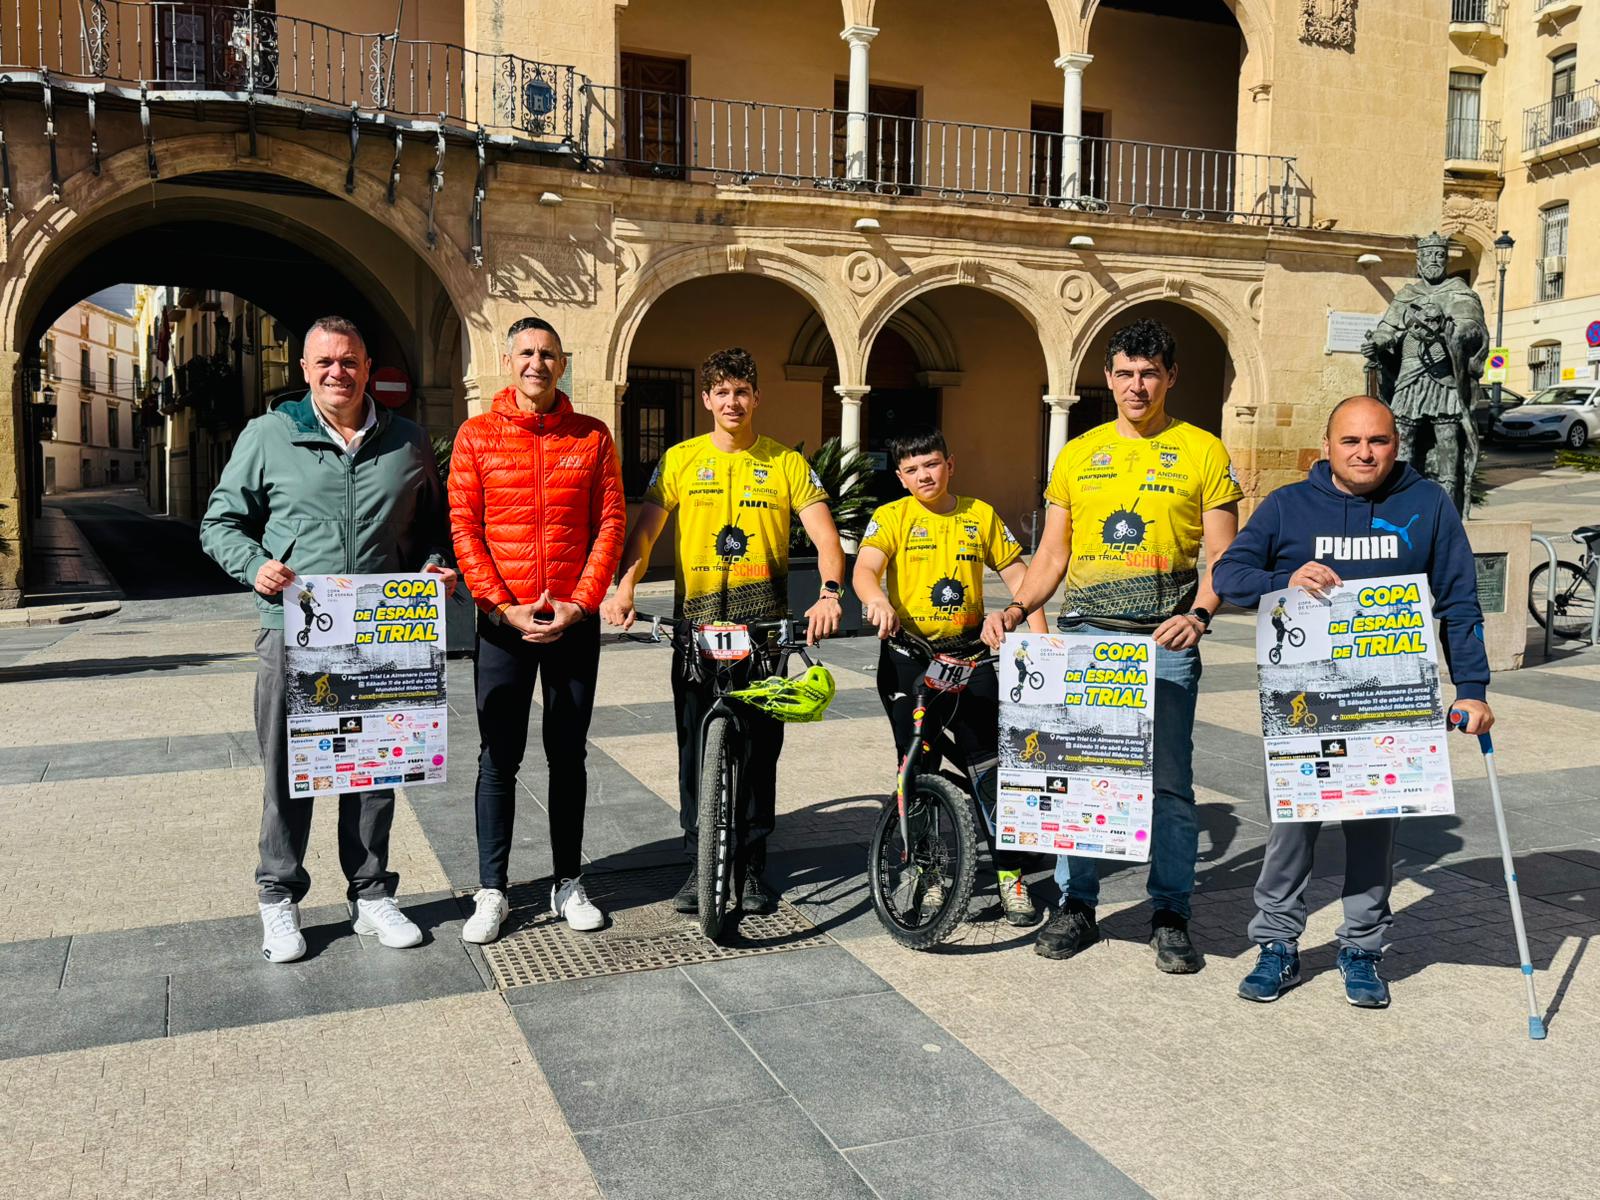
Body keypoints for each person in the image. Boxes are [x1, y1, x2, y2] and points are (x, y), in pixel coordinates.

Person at [1212, 394, 1494, 1009]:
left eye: (1378, 441)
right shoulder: (1288, 507)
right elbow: (1228, 576)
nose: (1365, 453)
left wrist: (1472, 689)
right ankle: (1278, 944)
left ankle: (1362, 948)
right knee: (1292, 831)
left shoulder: (1427, 505)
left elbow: (1459, 601)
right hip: (1302, 708)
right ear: (1327, 446)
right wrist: (1280, 580)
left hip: (1389, 706)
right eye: (1352, 441)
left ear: (1395, 445)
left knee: (1374, 831)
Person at [982, 317, 1240, 973]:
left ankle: (1171, 911)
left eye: (1149, 373)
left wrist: (1202, 615)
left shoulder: (1202, 451)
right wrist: (1016, 607)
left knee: (1169, 787)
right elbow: (1052, 553)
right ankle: (1077, 905)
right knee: (1080, 779)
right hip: (1089, 641)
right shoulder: (1077, 455)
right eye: (1124, 372)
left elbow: (1225, 557)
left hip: (1165, 641)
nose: (1136, 385)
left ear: (1170, 377)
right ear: (1108, 376)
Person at [201, 315, 456, 963]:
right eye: (324, 363)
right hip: (293, 627)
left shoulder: (408, 442)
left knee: (372, 771)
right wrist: (254, 564)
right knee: (289, 773)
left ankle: (371, 894)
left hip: (378, 630)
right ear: (305, 371)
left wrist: (434, 566)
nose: (337, 373)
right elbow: (219, 521)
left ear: (368, 368)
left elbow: (435, 527)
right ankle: (278, 899)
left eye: (349, 361)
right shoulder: (269, 435)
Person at [601, 347, 846, 913]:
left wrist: (830, 595)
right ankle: (699, 862)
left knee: (760, 750)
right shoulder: (681, 460)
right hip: (697, 627)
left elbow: (828, 543)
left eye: (742, 391)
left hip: (763, 631)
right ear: (707, 399)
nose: (732, 401)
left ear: (756, 397)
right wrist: (625, 588)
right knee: (693, 748)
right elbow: (645, 533)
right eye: (721, 392)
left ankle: (755, 864)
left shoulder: (785, 464)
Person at [448, 316, 626, 944]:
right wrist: (500, 605)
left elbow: (610, 523)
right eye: (526, 352)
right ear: (508, 358)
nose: (536, 363)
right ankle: (492, 889)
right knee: (499, 756)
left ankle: (568, 881)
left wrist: (582, 603)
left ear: (563, 361)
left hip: (572, 622)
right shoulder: (476, 437)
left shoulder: (593, 436)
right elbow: (465, 529)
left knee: (568, 755)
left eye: (548, 354)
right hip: (504, 624)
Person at [852, 428, 1049, 924]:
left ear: (950, 464)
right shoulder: (891, 517)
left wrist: (1040, 643)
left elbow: (1020, 578)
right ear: (900, 476)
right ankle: (929, 873)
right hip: (908, 658)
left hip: (971, 657)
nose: (925, 476)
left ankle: (1011, 876)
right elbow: (866, 570)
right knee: (916, 767)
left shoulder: (979, 515)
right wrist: (875, 600)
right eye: (913, 469)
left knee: (988, 767)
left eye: (933, 464)